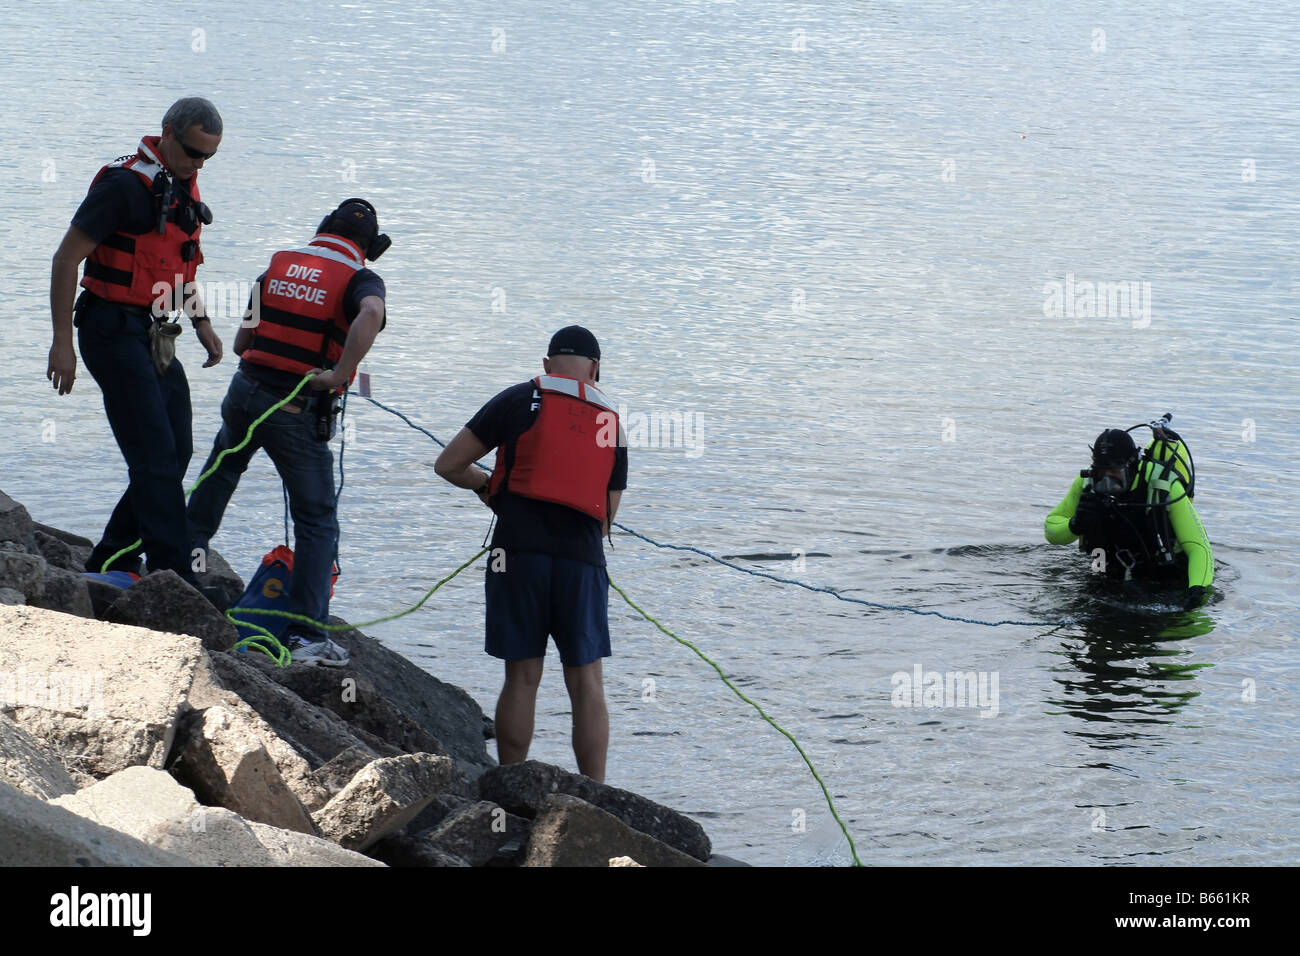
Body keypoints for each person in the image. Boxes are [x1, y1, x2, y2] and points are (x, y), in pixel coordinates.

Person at [185, 199, 389, 665]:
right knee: (316, 520)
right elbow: (371, 314)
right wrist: (340, 374)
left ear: (322, 229)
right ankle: (306, 634)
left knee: (218, 478)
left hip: (245, 391)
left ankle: (182, 569)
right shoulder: (362, 280)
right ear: (368, 247)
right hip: (295, 406)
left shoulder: (280, 265)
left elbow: (241, 343)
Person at [435, 326, 628, 782]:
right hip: (581, 561)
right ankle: (596, 795)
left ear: (547, 365)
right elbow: (607, 517)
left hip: (517, 554)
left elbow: (448, 465)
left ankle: (512, 784)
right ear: (595, 370)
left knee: (522, 677)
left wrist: (487, 486)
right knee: (586, 683)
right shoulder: (610, 421)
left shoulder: (520, 398)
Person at [47, 97, 225, 585]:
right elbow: (66, 259)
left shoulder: (181, 185)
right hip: (108, 328)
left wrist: (202, 323)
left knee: (179, 448)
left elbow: (177, 262)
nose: (198, 163)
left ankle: (110, 561)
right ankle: (175, 577)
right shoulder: (125, 186)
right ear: (167, 132)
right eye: (192, 151)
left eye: (208, 156)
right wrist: (62, 342)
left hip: (153, 331)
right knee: (153, 455)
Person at [1044, 423, 1213, 609]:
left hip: (1165, 579)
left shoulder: (1163, 486)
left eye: (1115, 473)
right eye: (1101, 473)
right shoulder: (1087, 483)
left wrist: (1197, 592)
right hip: (1106, 574)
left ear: (1133, 465)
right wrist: (1076, 524)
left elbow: (1199, 547)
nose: (1107, 481)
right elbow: (1052, 531)